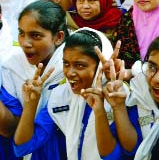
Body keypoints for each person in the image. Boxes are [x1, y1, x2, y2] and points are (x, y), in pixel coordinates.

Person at [13, 28, 135, 159]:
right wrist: (31, 103)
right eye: (66, 63)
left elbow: (115, 156)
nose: (70, 73)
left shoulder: (118, 95)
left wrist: (99, 112)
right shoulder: (60, 95)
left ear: (99, 65)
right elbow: (23, 147)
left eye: (80, 65)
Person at [0, 0, 68, 160]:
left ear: (58, 37)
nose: (25, 43)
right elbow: (10, 129)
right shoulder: (12, 66)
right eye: (21, 33)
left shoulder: (72, 69)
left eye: (35, 35)